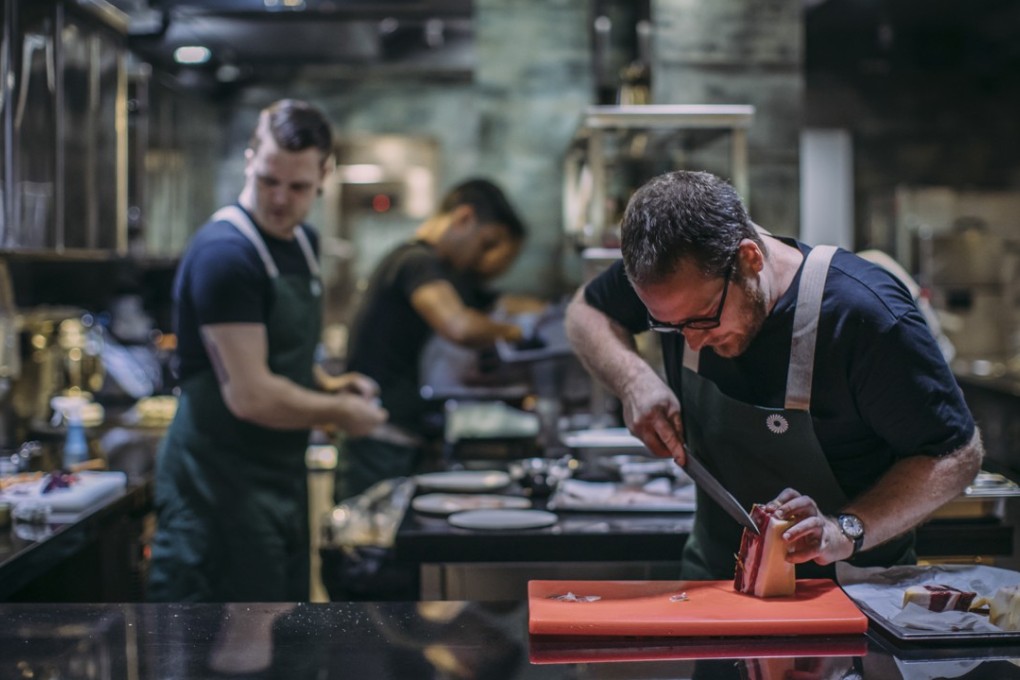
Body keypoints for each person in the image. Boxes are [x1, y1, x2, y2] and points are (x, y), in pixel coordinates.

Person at [564, 170, 983, 580]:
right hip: (712, 586)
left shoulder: (865, 317)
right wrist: (633, 380)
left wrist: (845, 529)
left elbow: (955, 455)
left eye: (703, 320)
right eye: (670, 327)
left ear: (749, 259)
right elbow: (586, 311)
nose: (690, 343)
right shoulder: (672, 279)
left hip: (852, 601)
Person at [148, 99, 388, 602]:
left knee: (285, 636)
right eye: (267, 180)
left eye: (298, 186)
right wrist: (342, 413)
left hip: (277, 476)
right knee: (227, 653)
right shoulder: (226, 254)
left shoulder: (303, 241)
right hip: (217, 482)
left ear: (325, 174)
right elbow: (252, 395)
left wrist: (326, 382)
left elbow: (279, 354)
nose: (280, 199)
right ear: (249, 158)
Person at [338, 178, 527, 501]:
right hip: (379, 444)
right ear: (464, 218)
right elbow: (459, 326)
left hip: (395, 441)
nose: (483, 260)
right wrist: (517, 332)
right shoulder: (415, 262)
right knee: (369, 547)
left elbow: (493, 302)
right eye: (485, 244)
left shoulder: (433, 267)